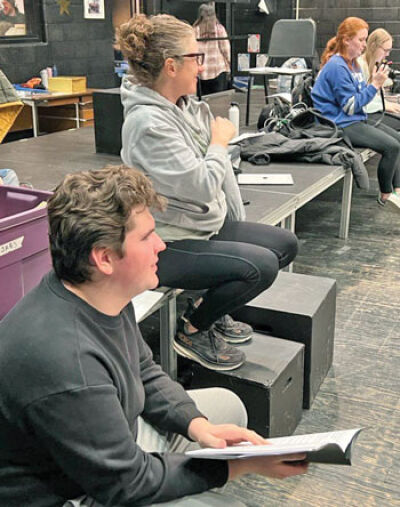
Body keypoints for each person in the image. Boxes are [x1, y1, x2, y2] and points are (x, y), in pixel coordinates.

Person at [0, 164, 308, 507]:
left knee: (226, 409)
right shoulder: (64, 360)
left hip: (110, 443)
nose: (161, 245)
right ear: (104, 258)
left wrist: (196, 425)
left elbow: (142, 369)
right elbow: (127, 484)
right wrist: (240, 467)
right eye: (147, 237)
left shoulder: (103, 294)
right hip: (79, 490)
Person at [118, 14, 298, 372]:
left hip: (201, 226)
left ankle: (209, 308)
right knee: (259, 267)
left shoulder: (187, 107)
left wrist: (237, 227)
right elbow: (201, 185)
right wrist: (219, 143)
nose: (201, 66)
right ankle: (193, 331)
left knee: (283, 245)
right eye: (194, 57)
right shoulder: (147, 123)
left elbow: (221, 177)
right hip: (165, 241)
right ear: (171, 66)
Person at [311, 17, 400, 211]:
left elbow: (360, 97)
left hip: (355, 118)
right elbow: (350, 105)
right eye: (361, 40)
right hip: (340, 123)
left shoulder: (354, 65)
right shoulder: (337, 66)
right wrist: (375, 84)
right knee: (392, 147)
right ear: (346, 40)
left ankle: (397, 190)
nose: (364, 45)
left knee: (398, 141)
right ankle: (386, 194)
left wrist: (374, 87)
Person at [358, 28, 400, 129]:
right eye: (386, 50)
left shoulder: (370, 65)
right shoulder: (360, 66)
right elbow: (361, 103)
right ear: (373, 46)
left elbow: (370, 97)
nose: (387, 54)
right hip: (361, 116)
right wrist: (385, 106)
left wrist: (388, 104)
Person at [193, 3, 231, 95]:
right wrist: (229, 65)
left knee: (203, 101)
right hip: (218, 69)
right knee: (219, 100)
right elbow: (226, 50)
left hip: (201, 72)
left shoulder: (194, 30)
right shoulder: (219, 29)